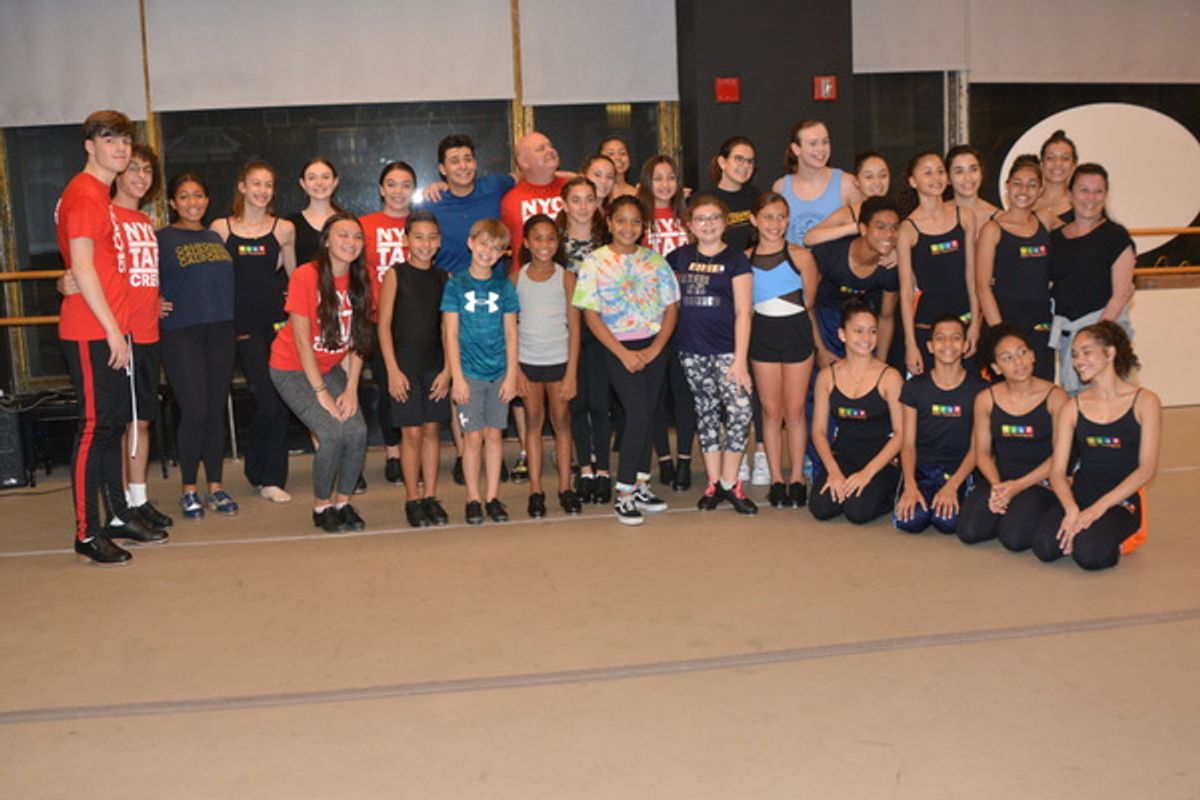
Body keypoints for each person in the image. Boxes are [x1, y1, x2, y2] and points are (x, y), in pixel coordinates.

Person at [57, 111, 165, 565]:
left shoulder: (101, 197)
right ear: (89, 145)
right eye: (109, 140)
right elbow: (81, 269)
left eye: (125, 140)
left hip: (112, 329)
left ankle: (115, 517)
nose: (121, 148)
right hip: (92, 331)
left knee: (108, 429)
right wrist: (111, 331)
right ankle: (86, 532)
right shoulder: (83, 194)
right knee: (94, 430)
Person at [573, 196, 680, 526]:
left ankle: (642, 484)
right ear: (609, 222)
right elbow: (590, 315)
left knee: (648, 414)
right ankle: (623, 493)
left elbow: (671, 308)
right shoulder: (595, 262)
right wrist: (623, 353)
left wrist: (657, 348)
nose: (628, 228)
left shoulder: (655, 261)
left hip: (654, 348)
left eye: (636, 222)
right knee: (635, 414)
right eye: (621, 220)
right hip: (618, 348)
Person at [269, 213, 373, 533]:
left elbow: (359, 340)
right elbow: (301, 339)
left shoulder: (362, 278)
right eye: (343, 235)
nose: (350, 242)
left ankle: (343, 502)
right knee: (330, 433)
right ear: (326, 240)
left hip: (329, 367)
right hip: (291, 368)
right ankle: (321, 506)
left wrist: (351, 388)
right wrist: (321, 392)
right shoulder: (306, 275)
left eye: (357, 237)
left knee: (356, 431)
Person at [1031, 322, 1160, 570]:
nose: (1078, 360)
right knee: (1045, 547)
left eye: (1087, 352)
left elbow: (1146, 470)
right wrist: (1071, 510)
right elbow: (1057, 472)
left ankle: (1123, 534)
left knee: (1090, 555)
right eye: (1075, 354)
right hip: (1081, 494)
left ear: (1110, 353)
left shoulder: (1145, 402)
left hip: (1120, 500)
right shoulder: (1073, 407)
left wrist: (1096, 510)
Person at [212, 160, 296, 504]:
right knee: (265, 399)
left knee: (278, 399)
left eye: (269, 185)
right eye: (256, 184)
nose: (262, 191)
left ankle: (270, 477)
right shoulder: (220, 228)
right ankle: (256, 466)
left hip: (277, 324)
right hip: (241, 327)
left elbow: (295, 279)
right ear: (242, 187)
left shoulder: (284, 229)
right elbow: (211, 280)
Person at [157, 173, 238, 520]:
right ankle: (189, 490)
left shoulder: (215, 236)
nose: (193, 202)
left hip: (220, 330)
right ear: (173, 203)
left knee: (215, 410)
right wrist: (151, 300)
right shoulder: (161, 238)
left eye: (199, 195)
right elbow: (140, 277)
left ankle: (216, 488)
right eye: (185, 196)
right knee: (195, 411)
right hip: (181, 332)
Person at [669, 196, 757, 514]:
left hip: (728, 352)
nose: (708, 224)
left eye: (714, 218)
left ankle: (730, 484)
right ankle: (714, 482)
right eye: (701, 219)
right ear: (690, 225)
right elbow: (665, 300)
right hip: (692, 352)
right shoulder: (678, 258)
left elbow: (744, 311)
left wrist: (740, 360)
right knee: (705, 415)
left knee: (739, 412)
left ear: (725, 221)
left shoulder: (736, 260)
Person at [956, 326, 1066, 549]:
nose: (1018, 362)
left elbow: (1060, 456)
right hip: (1002, 479)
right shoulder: (985, 399)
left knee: (1013, 539)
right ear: (996, 367)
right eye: (1007, 358)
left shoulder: (1056, 397)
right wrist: (997, 487)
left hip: (1041, 481)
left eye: (1022, 352)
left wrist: (1018, 487)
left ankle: (1041, 512)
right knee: (969, 530)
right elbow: (983, 453)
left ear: (1033, 355)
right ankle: (1013, 510)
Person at [442, 219, 521, 525]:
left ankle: (492, 497)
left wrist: (512, 375)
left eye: (497, 247)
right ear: (471, 242)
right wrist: (457, 377)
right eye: (484, 244)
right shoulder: (455, 285)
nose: (489, 252)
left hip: (499, 373)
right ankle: (472, 497)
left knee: (494, 436)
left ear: (503, 253)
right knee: (472, 439)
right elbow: (450, 333)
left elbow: (512, 333)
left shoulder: (504, 287)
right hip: (470, 375)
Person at [375, 210, 451, 527]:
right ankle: (412, 498)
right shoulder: (395, 274)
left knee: (432, 430)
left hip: (434, 366)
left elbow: (449, 330)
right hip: (404, 367)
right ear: (406, 240)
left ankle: (431, 495)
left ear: (440, 241)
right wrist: (392, 370)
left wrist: (448, 370)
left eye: (432, 237)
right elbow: (384, 325)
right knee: (411, 433)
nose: (425, 243)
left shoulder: (445, 278)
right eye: (418, 237)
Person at [746, 192, 817, 508]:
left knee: (796, 411)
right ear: (754, 220)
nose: (775, 224)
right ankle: (777, 477)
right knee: (771, 412)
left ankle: (798, 477)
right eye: (768, 217)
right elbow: (744, 308)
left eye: (781, 217)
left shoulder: (802, 257)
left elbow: (810, 301)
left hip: (796, 335)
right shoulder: (744, 260)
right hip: (762, 337)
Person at [809, 301, 903, 524]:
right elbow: (819, 432)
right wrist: (833, 471)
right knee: (821, 507)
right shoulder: (826, 376)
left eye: (872, 331)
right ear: (842, 334)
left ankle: (892, 492)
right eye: (858, 331)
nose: (866, 338)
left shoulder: (890, 377)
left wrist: (867, 473)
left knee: (857, 512)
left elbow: (901, 434)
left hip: (880, 461)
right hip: (845, 455)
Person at [514, 215, 582, 517]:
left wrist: (571, 373)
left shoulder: (566, 278)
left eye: (551, 238)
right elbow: (509, 328)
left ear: (559, 243)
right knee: (532, 422)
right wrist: (514, 369)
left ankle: (566, 487)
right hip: (527, 363)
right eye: (538, 238)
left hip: (559, 363)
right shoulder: (515, 278)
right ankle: (536, 490)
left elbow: (576, 329)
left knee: (562, 423)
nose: (544, 245)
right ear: (527, 243)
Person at [1047, 163, 1136, 394]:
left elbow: (1121, 294)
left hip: (1104, 331)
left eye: (1098, 191)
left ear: (1106, 195)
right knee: (1075, 400)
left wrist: (1094, 340)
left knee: (1110, 398)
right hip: (1069, 336)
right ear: (1070, 194)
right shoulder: (1056, 238)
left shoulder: (1116, 236)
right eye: (1084, 190)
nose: (1091, 198)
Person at [893, 315, 985, 534]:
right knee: (911, 521)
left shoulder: (980, 390)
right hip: (922, 468)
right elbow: (907, 445)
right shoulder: (914, 387)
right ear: (930, 346)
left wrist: (953, 485)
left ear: (965, 346)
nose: (947, 345)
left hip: (958, 470)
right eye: (940, 338)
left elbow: (977, 449)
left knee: (948, 522)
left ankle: (960, 492)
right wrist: (910, 484)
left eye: (955, 338)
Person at [637, 155, 695, 488]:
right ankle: (663, 459)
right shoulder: (639, 219)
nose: (664, 184)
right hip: (650, 317)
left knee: (684, 391)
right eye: (657, 178)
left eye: (670, 177)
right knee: (654, 393)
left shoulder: (688, 218)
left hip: (688, 315)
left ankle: (685, 459)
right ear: (646, 182)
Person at [360, 160, 419, 485]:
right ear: (382, 189)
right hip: (376, 320)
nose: (398, 191)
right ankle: (393, 452)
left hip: (417, 321)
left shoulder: (423, 223)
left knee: (417, 387)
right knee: (388, 389)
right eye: (392, 184)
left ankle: (416, 449)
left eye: (406, 184)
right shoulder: (364, 225)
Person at [896, 152, 979, 375]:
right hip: (927, 326)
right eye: (928, 172)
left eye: (941, 171)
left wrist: (975, 326)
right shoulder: (907, 229)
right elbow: (905, 292)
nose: (936, 177)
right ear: (913, 181)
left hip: (964, 323)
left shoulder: (966, 217)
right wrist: (910, 344)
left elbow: (972, 278)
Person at [557, 177, 613, 504]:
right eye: (575, 199)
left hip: (603, 330)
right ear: (564, 204)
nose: (582, 206)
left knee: (601, 403)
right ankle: (585, 468)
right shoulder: (555, 244)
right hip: (566, 331)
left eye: (588, 199)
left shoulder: (607, 242)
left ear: (597, 203)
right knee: (577, 402)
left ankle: (603, 468)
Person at [975, 157, 1054, 380]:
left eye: (1031, 184)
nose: (1024, 190)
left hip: (1040, 326)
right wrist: (1000, 333)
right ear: (1007, 186)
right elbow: (982, 286)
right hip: (1005, 323)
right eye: (1018, 183)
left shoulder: (1045, 221)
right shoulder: (993, 229)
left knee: (1041, 392)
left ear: (1040, 190)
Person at [806, 196, 901, 367]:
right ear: (863, 228)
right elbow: (807, 304)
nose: (889, 234)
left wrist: (880, 364)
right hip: (821, 325)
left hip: (861, 327)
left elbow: (886, 318)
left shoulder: (890, 267)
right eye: (880, 227)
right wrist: (819, 349)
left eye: (895, 228)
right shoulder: (830, 253)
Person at [425, 134, 516, 275]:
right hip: (449, 290)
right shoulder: (432, 204)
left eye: (468, 159)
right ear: (443, 169)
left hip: (493, 288)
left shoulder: (493, 186)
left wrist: (562, 180)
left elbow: (524, 176)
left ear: (475, 163)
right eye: (454, 161)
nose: (463, 166)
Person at [771, 119, 861, 245]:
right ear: (796, 149)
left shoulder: (847, 183)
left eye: (825, 142)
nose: (821, 149)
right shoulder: (781, 187)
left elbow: (866, 230)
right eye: (813, 143)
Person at [500, 131, 570, 266]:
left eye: (550, 146)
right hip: (526, 281)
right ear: (524, 162)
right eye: (541, 149)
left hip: (569, 278)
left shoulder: (572, 190)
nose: (550, 151)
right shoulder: (509, 201)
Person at [802, 151, 891, 247]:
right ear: (857, 181)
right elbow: (809, 238)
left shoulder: (898, 211)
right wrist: (855, 228)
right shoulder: (848, 213)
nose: (877, 182)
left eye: (883, 175)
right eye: (869, 177)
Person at [704, 136, 759, 252]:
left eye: (750, 161)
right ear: (722, 162)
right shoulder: (704, 200)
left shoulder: (757, 197)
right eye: (739, 159)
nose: (745, 166)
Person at [287, 157, 343, 265]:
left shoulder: (347, 222)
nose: (319, 183)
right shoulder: (290, 224)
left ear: (335, 182)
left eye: (325, 177)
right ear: (303, 183)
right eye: (312, 178)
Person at [944, 145, 999, 230]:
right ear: (948, 178)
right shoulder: (936, 215)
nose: (968, 177)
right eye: (959, 172)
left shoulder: (999, 218)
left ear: (981, 173)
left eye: (973, 169)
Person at [1034, 130, 1077, 226]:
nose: (1058, 163)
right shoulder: (1028, 201)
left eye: (1065, 158)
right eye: (1050, 158)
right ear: (1041, 164)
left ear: (1073, 165)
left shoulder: (1081, 204)